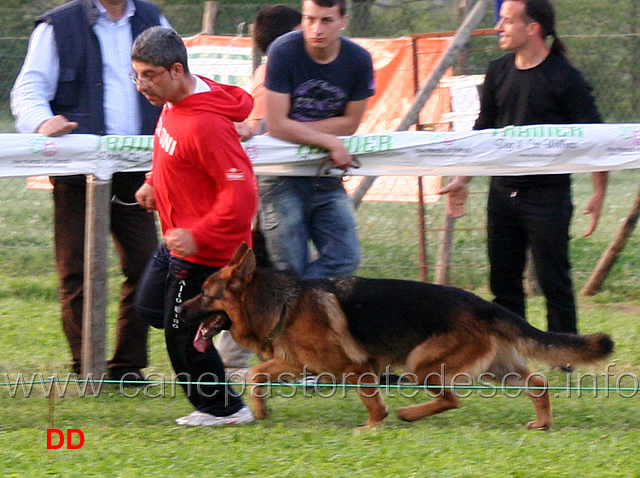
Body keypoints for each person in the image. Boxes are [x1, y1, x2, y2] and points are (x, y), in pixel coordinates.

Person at [10, 0, 170, 383]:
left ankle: (127, 367)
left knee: (147, 266)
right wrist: (43, 121)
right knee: (76, 269)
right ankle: (87, 366)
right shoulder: (56, 25)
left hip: (138, 170)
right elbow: (28, 89)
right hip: (76, 167)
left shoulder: (153, 19)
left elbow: (181, 81)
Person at [439, 0, 608, 336]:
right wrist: (461, 180)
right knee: (503, 281)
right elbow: (483, 132)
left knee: (553, 280)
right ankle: (509, 354)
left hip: (547, 197)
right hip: (501, 194)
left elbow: (595, 136)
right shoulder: (498, 70)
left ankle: (565, 354)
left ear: (532, 28)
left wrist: (599, 191)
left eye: (507, 21)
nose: (499, 28)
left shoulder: (566, 78)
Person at [131, 26, 257, 426]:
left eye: (149, 75)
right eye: (136, 74)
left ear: (176, 70)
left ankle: (227, 410)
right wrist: (154, 181)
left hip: (205, 251)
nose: (140, 84)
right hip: (178, 242)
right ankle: (223, 319)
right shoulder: (173, 102)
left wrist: (197, 234)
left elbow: (241, 194)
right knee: (150, 307)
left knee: (179, 332)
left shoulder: (208, 125)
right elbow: (170, 149)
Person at [216, 4, 302, 378]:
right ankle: (233, 364)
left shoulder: (269, 73)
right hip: (266, 199)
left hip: (269, 196)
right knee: (255, 284)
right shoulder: (272, 77)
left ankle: (241, 362)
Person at [260, 0, 375, 280]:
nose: (316, 29)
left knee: (345, 258)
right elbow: (276, 125)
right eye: (309, 19)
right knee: (290, 269)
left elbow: (350, 123)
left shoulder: (358, 59)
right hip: (280, 174)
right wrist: (331, 141)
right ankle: (296, 311)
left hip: (325, 174)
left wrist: (296, 128)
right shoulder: (284, 51)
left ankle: (298, 304)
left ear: (343, 20)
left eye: (326, 20)